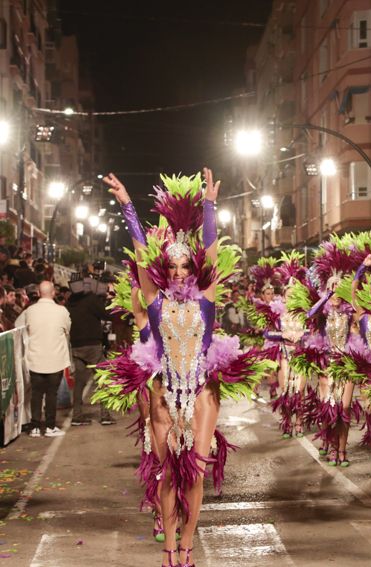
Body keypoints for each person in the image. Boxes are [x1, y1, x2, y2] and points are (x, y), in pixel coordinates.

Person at [105, 169, 273, 567]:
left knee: (194, 472)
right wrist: (127, 205)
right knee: (167, 473)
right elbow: (142, 252)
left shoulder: (206, 301)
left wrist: (210, 205)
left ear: (193, 269)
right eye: (174, 266)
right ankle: (167, 548)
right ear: (167, 270)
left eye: (185, 266)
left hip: (200, 390)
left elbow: (211, 250)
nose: (180, 272)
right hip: (164, 391)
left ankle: (187, 544)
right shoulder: (155, 303)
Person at [15, 281, 71, 438]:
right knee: (52, 394)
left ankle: (34, 426)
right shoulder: (62, 311)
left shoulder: (30, 311)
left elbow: (18, 326)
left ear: (38, 293)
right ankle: (50, 426)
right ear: (53, 293)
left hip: (35, 359)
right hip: (55, 358)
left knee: (36, 394)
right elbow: (67, 329)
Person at [67, 275, 115, 426]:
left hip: (76, 346)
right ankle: (105, 415)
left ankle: (77, 415)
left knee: (79, 383)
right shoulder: (91, 299)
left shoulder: (70, 302)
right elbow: (107, 314)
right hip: (92, 345)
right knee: (103, 380)